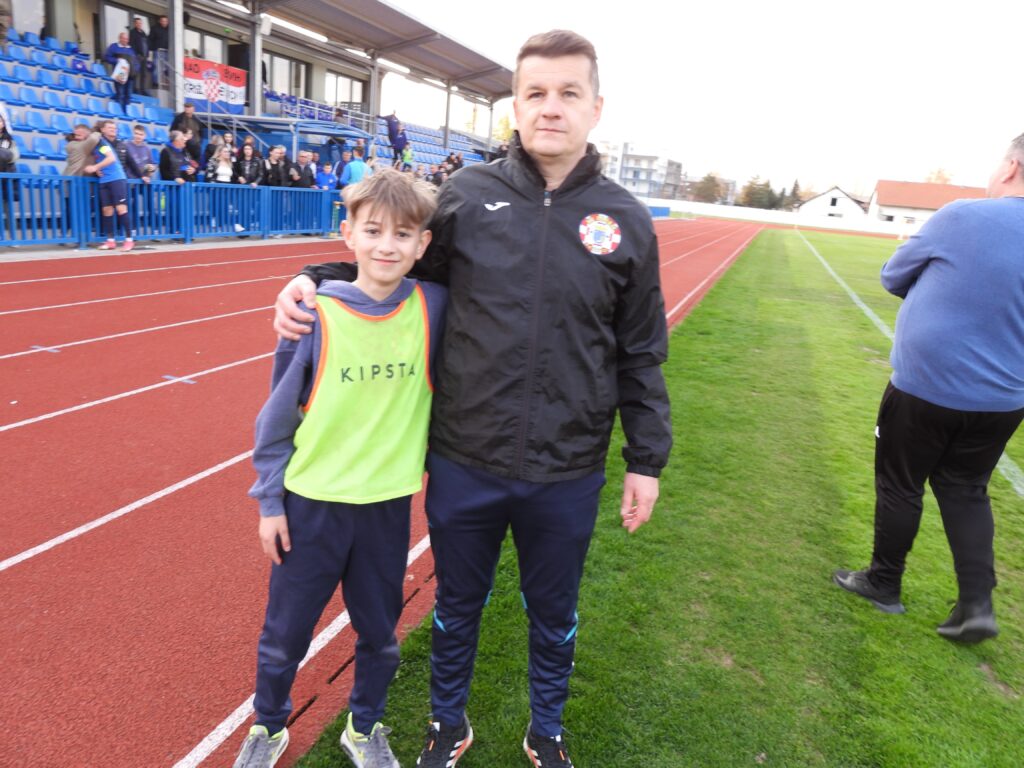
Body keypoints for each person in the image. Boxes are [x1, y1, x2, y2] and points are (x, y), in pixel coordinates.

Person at [273, 30, 671, 768]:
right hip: (465, 456)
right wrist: (315, 276)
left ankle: (546, 730)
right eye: (535, 93)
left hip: (568, 466)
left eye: (568, 93)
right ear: (515, 106)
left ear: (596, 107)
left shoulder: (626, 221)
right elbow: (394, 267)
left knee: (553, 611)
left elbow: (641, 350)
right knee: (457, 606)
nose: (550, 107)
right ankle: (446, 723)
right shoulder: (466, 196)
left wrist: (645, 459)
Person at [237, 169, 446, 768]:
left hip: (385, 507)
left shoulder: (435, 305)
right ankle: (268, 727)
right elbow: (276, 418)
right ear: (348, 233)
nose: (387, 246)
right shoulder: (312, 315)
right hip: (311, 506)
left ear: (423, 244)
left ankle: (364, 726)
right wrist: (270, 503)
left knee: (379, 634)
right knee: (285, 636)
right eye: (373, 231)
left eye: (403, 234)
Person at [833, 132, 1024, 644]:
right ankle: (976, 606)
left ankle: (883, 582)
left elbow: (894, 276)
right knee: (967, 491)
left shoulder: (963, 216)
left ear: (1010, 166)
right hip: (1004, 398)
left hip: (927, 390)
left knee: (900, 483)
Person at [85, 120, 134, 251]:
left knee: (121, 208)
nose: (113, 129)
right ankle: (110, 241)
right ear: (102, 130)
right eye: (109, 127)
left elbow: (111, 158)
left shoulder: (102, 143)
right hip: (104, 180)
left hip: (117, 178)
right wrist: (97, 169)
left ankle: (129, 240)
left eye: (114, 127)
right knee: (107, 210)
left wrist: (95, 167)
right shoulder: (94, 146)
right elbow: (99, 160)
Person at [104, 32, 137, 111]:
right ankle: (119, 112)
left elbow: (136, 62)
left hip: (130, 75)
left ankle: (127, 113)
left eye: (127, 39)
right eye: (124, 38)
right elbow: (107, 57)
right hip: (120, 74)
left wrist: (136, 69)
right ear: (120, 38)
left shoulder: (131, 49)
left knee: (128, 95)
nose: (126, 40)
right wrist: (116, 60)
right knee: (120, 94)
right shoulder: (114, 47)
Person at [128, 17, 149, 96]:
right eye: (137, 23)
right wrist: (136, 54)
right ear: (135, 24)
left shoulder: (143, 33)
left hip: (144, 57)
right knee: (135, 73)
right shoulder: (132, 32)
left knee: (143, 74)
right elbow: (132, 44)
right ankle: (134, 89)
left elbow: (146, 44)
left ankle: (142, 90)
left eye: (140, 23)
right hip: (137, 56)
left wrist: (146, 54)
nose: (139, 24)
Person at [148, 15, 169, 90]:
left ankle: (167, 84)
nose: (164, 23)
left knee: (167, 68)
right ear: (160, 21)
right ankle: (155, 84)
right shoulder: (155, 28)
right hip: (157, 51)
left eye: (166, 21)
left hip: (168, 52)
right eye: (163, 21)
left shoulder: (170, 29)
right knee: (156, 67)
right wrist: (151, 50)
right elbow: (150, 39)